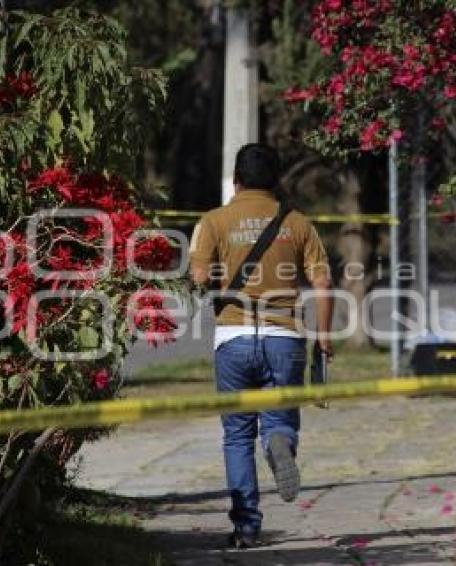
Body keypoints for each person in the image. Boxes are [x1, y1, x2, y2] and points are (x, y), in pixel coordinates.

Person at [189, 143, 334, 548]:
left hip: (233, 338)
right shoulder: (298, 223)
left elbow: (198, 277)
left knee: (236, 435)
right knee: (279, 421)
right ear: (277, 180)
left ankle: (247, 526)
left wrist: (213, 269)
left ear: (236, 181)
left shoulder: (214, 220)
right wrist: (323, 340)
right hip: (285, 337)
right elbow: (322, 284)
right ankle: (279, 442)